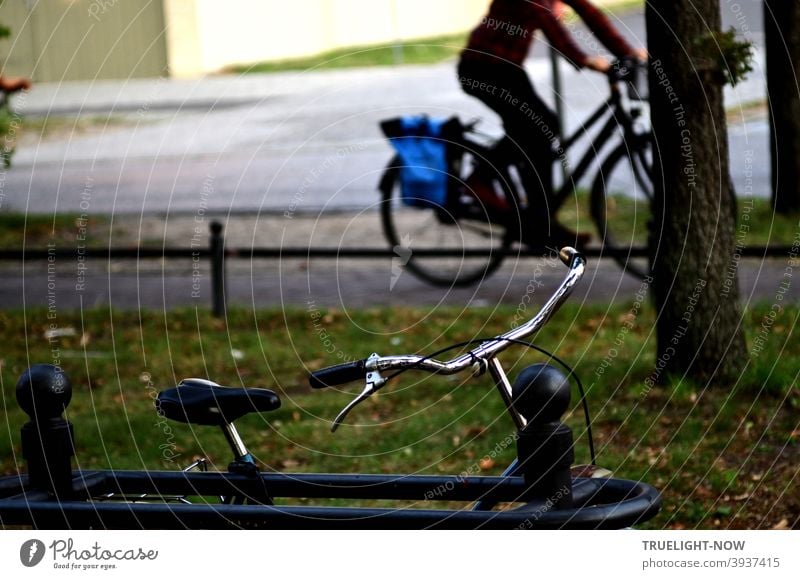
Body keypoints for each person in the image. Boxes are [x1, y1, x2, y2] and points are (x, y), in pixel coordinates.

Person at [458, 0, 646, 248]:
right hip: (482, 67)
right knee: (538, 132)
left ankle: (539, 221)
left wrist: (627, 53)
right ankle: (493, 190)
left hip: (506, 67)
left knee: (544, 127)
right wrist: (584, 59)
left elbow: (590, 14)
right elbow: (548, 21)